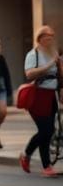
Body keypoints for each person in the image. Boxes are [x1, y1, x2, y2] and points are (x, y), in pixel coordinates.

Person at [19, 25, 62, 177]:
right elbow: (29, 74)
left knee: (48, 131)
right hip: (37, 96)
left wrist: (61, 90)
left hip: (51, 96)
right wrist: (50, 64)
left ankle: (46, 167)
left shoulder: (54, 53)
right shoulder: (33, 54)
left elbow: (59, 75)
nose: (51, 39)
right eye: (47, 36)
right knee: (46, 130)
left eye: (52, 36)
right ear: (40, 38)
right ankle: (26, 154)